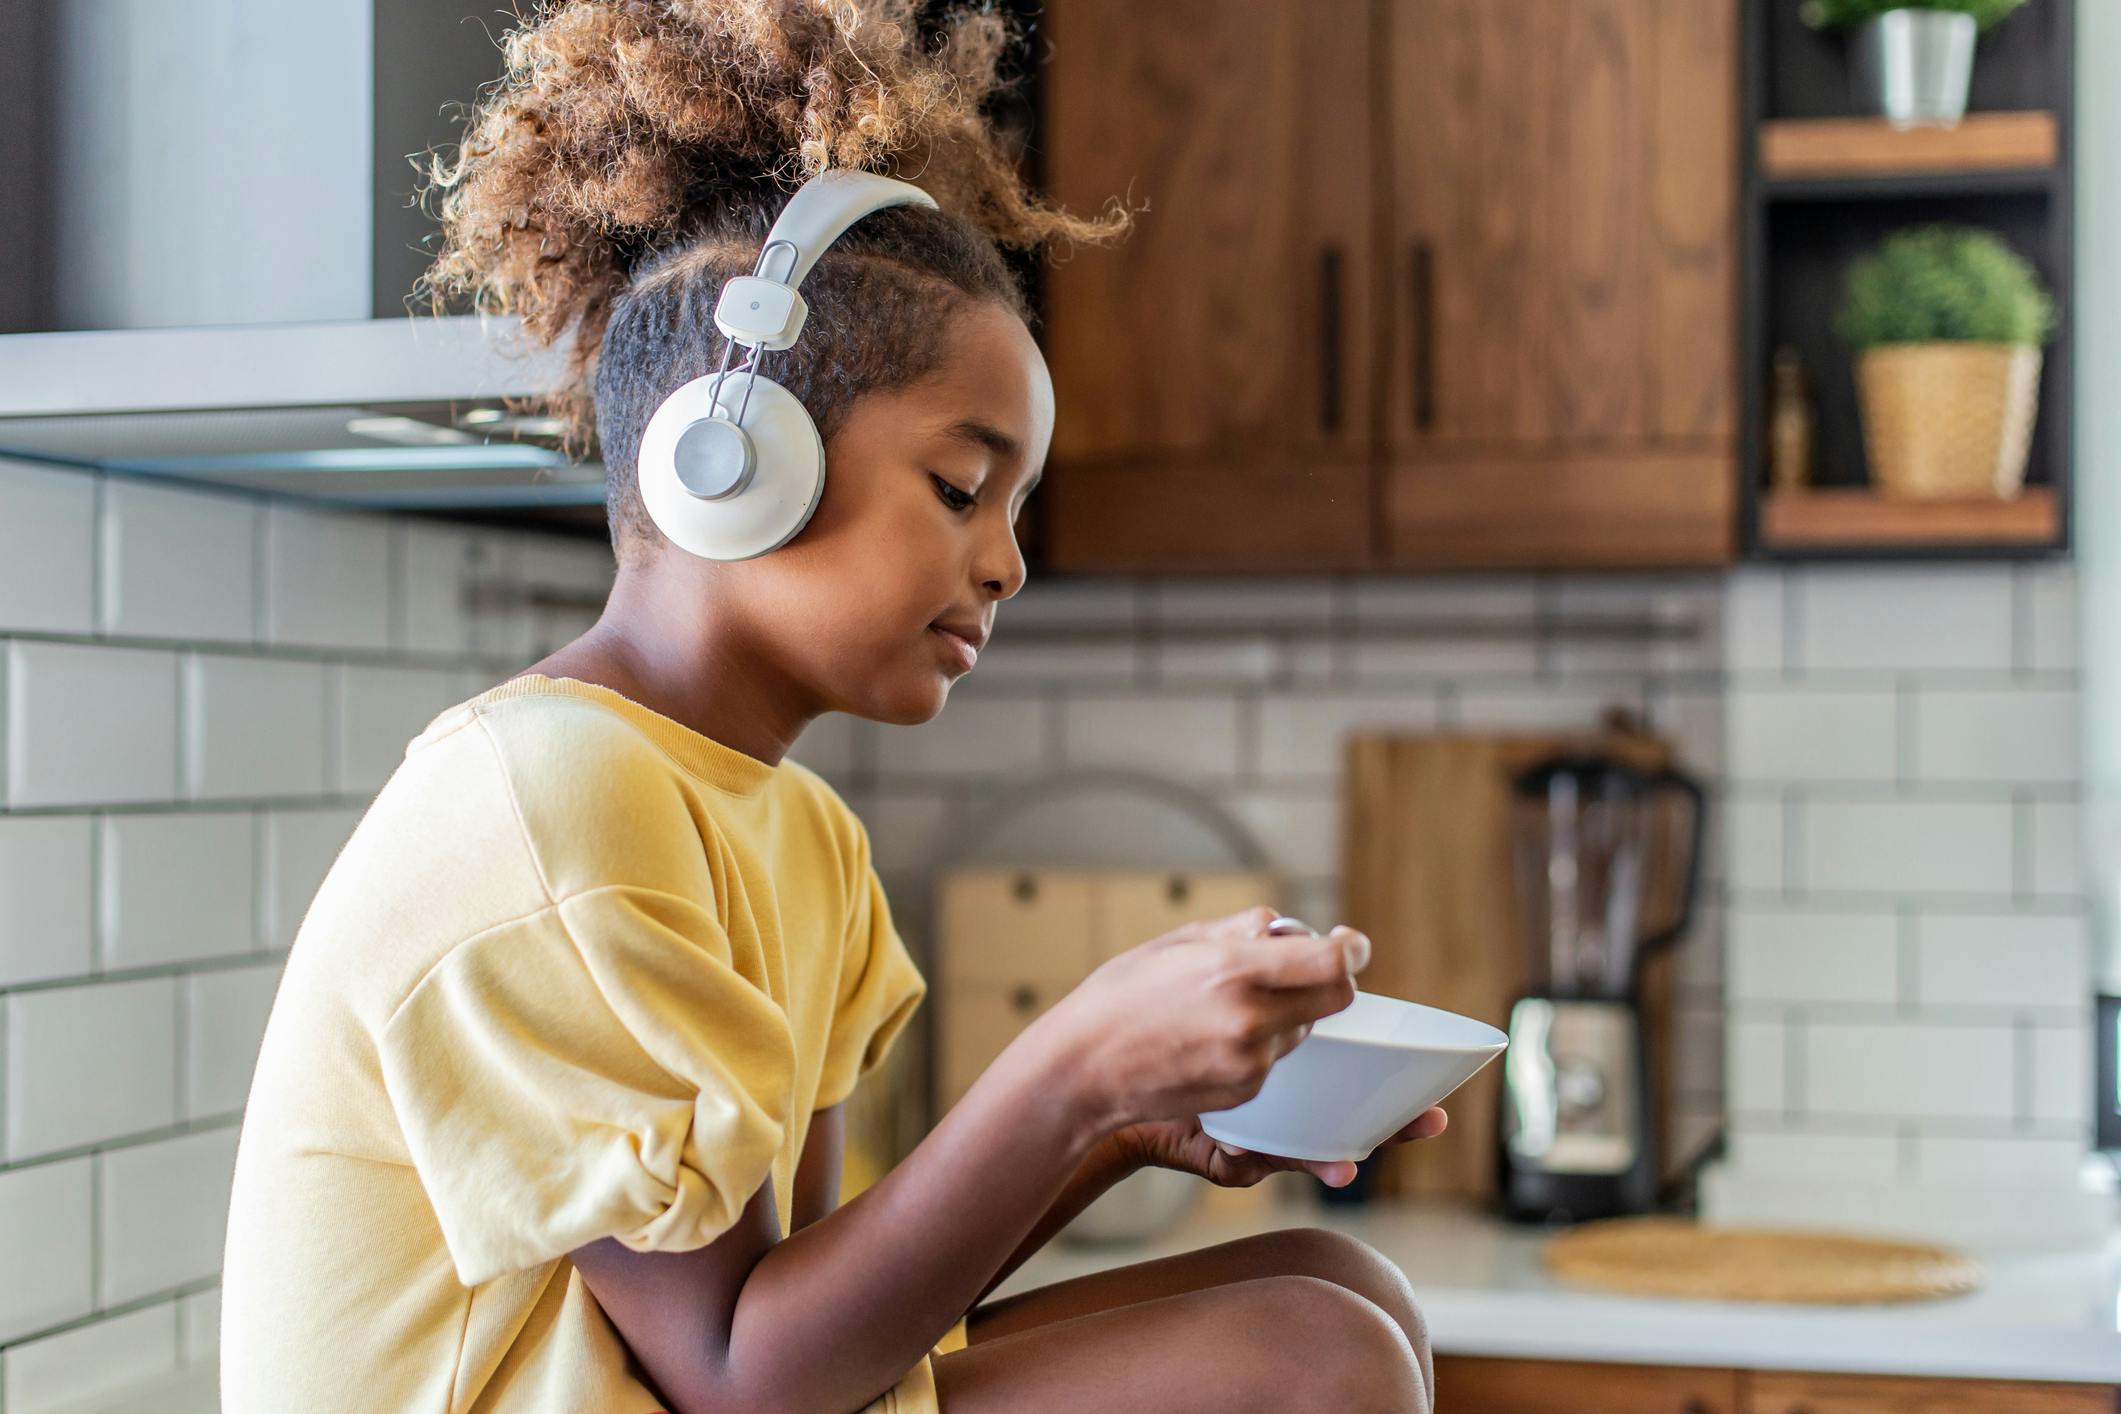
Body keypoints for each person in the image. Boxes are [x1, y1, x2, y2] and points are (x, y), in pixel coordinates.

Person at [219, 2, 1445, 1410]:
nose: (1007, 559)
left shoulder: (802, 836)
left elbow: (817, 1314)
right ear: (729, 461)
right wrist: (1070, 1064)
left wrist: (1120, 1123)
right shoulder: (555, 799)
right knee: (1315, 1355)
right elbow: (743, 1376)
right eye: (956, 487)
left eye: (1018, 505)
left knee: (1353, 1288)